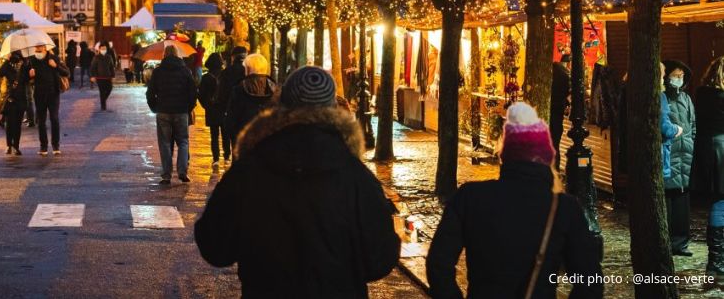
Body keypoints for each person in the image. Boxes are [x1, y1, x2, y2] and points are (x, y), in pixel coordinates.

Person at [195, 66, 399, 296]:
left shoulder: (249, 170)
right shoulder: (356, 178)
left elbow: (215, 246)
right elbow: (380, 259)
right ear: (333, 109)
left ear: (281, 104)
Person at [426, 102, 602, 298]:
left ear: (504, 156)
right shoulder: (564, 209)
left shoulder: (470, 197)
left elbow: (438, 264)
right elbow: (590, 281)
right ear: (546, 159)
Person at [146, 46, 198, 184]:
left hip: (163, 111)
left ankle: (166, 174)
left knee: (164, 143)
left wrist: (155, 108)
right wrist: (189, 107)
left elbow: (150, 93)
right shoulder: (185, 71)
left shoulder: (158, 71)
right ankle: (182, 171)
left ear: (164, 55)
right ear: (177, 54)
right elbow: (193, 92)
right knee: (183, 141)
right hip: (181, 111)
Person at [694, 56, 724, 281]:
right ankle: (717, 259)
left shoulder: (701, 95)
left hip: (706, 149)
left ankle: (715, 258)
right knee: (721, 202)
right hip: (721, 149)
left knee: (718, 200)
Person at [663, 59, 696, 256]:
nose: (678, 79)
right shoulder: (662, 98)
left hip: (686, 155)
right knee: (668, 199)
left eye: (681, 76)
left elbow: (693, 124)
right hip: (670, 154)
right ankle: (667, 242)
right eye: (675, 75)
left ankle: (680, 242)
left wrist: (691, 143)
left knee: (682, 200)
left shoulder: (686, 98)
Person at [225, 53, 277, 142]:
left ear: (248, 70)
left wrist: (234, 137)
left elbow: (231, 119)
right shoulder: (274, 90)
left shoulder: (239, 89)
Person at [29, 44, 69, 155]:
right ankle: (43, 146)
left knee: (54, 119)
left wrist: (55, 66)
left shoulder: (54, 58)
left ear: (45, 48)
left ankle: (56, 145)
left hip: (53, 93)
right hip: (39, 94)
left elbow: (66, 73)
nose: (37, 50)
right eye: (36, 48)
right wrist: (30, 75)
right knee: (41, 121)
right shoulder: (32, 61)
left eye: (39, 48)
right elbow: (26, 79)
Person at [214, 46, 247, 160]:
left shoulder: (226, 73)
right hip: (245, 111)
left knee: (233, 139)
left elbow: (221, 94)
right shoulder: (247, 72)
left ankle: (235, 162)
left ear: (233, 57)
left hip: (230, 110)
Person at [198, 52, 230, 164]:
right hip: (224, 108)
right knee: (226, 133)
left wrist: (206, 105)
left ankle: (215, 158)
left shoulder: (206, 77)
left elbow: (200, 94)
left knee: (214, 135)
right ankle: (227, 155)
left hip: (212, 110)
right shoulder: (226, 76)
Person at [0, 52, 29, 155]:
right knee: (9, 123)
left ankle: (16, 145)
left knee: (17, 124)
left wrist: (28, 67)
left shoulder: (24, 66)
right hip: (10, 98)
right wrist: (6, 60)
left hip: (20, 98)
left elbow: (28, 80)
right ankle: (9, 145)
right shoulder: (7, 65)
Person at [550, 55, 570, 170]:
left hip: (547, 115)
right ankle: (555, 170)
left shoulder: (549, 73)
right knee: (555, 144)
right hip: (557, 114)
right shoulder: (565, 76)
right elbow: (569, 93)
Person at [90, 42, 117, 110]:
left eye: (105, 48)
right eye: (102, 49)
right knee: (102, 91)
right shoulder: (96, 57)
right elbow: (93, 67)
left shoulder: (109, 57)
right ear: (99, 49)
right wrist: (92, 76)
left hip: (108, 77)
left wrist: (113, 76)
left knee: (109, 89)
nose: (103, 50)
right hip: (100, 77)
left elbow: (111, 67)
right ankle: (103, 106)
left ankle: (103, 100)